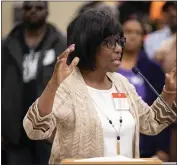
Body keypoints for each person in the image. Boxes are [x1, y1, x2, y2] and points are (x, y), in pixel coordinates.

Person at [23, 9, 176, 164]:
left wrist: (169, 92)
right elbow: (34, 130)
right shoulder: (67, 86)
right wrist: (53, 85)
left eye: (119, 42)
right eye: (110, 42)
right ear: (89, 44)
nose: (118, 49)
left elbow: (150, 123)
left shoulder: (121, 83)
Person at [2, 1, 66, 165]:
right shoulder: (7, 44)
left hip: (48, 132)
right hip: (14, 134)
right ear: (22, 11)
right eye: (28, 8)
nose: (33, 11)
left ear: (47, 11)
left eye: (38, 8)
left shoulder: (60, 44)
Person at [118, 17, 172, 161]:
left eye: (137, 32)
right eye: (128, 31)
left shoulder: (153, 70)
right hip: (113, 144)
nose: (132, 36)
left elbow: (162, 108)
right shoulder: (108, 68)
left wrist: (163, 149)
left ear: (143, 38)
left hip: (146, 146)